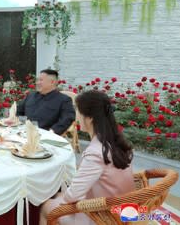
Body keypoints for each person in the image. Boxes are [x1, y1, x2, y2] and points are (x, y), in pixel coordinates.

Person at [39, 90, 135, 225]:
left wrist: (62, 196)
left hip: (103, 217)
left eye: (77, 111)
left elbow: (72, 197)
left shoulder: (96, 152)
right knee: (58, 196)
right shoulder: (116, 142)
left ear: (89, 117)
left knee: (45, 205)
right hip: (125, 209)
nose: (76, 116)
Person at [17, 69, 75, 135]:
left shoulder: (64, 100)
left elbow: (67, 119)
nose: (37, 83)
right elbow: (18, 111)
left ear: (52, 82)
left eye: (41, 80)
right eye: (37, 80)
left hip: (45, 135)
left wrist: (52, 131)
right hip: (24, 132)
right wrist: (20, 123)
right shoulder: (31, 95)